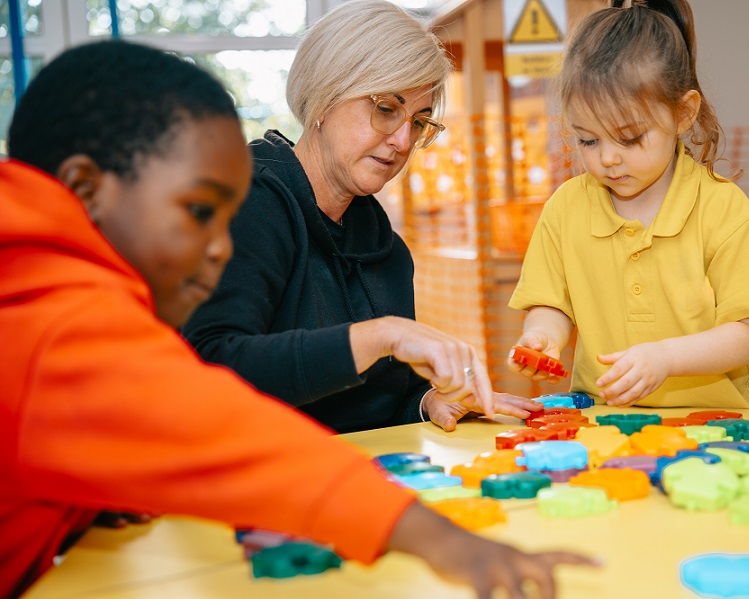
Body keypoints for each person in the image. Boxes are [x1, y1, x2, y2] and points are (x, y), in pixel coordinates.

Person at [0, 39, 600, 599]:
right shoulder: (59, 328)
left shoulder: (47, 298)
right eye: (200, 211)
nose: (221, 247)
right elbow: (227, 428)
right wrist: (442, 541)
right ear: (86, 188)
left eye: (419, 121)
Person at [181, 0, 539, 434]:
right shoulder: (246, 203)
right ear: (324, 97)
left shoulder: (384, 248)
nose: (403, 141)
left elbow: (378, 401)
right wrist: (380, 336)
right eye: (386, 109)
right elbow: (211, 368)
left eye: (419, 122)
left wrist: (428, 401)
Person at [507, 0, 749, 409]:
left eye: (630, 138)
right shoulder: (565, 209)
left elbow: (747, 331)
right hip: (602, 423)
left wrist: (666, 357)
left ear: (683, 114)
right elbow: (551, 303)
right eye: (588, 140)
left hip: (716, 426)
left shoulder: (723, 209)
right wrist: (543, 335)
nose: (607, 158)